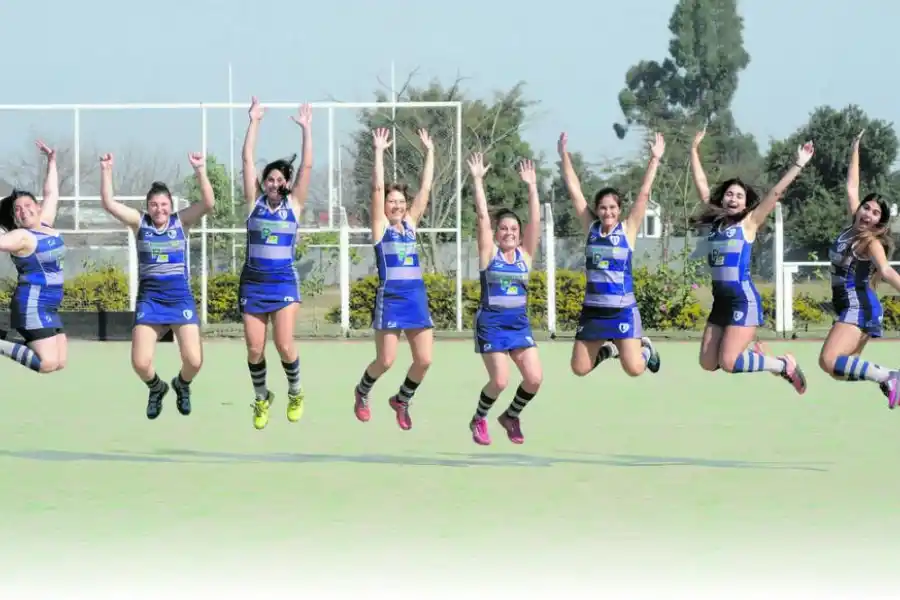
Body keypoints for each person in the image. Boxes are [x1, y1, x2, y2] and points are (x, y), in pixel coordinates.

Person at [689, 127, 812, 391]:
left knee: (729, 362)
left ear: (746, 204)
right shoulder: (715, 223)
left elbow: (775, 193)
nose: (732, 198)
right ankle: (761, 356)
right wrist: (693, 150)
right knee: (708, 363)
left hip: (742, 300)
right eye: (729, 194)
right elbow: (701, 183)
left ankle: (782, 365)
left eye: (739, 196)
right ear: (722, 199)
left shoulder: (749, 223)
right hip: (721, 302)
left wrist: (799, 164)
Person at [99, 152, 215, 419]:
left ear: (171, 205)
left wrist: (200, 170)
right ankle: (157, 388)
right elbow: (108, 203)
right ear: (147, 206)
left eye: (163, 204)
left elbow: (208, 203)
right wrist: (106, 170)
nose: (159, 209)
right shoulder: (139, 222)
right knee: (140, 363)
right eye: (153, 205)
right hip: (150, 301)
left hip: (179, 299)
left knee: (194, 361)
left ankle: (181, 385)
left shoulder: (180, 222)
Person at [557, 131, 664, 379]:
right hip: (593, 311)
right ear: (597, 210)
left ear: (619, 209)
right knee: (579, 368)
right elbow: (574, 190)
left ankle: (645, 349)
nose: (608, 212)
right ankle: (610, 349)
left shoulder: (628, 230)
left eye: (613, 207)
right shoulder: (591, 228)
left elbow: (644, 193)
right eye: (603, 208)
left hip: (622, 310)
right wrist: (564, 155)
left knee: (634, 369)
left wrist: (655, 159)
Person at [352, 127, 435, 431]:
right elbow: (376, 189)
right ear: (385, 206)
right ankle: (362, 391)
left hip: (415, 299)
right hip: (391, 299)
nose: (397, 205)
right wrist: (378, 153)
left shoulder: (411, 225)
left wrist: (430, 152)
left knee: (424, 360)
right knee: (385, 361)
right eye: (391, 201)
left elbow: (425, 189)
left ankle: (402, 399)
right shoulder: (381, 228)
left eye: (401, 201)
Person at [241, 97, 313, 430]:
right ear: (263, 181)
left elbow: (307, 167)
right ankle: (261, 398)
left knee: (284, 344)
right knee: (255, 349)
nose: (274, 183)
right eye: (269, 179)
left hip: (283, 282)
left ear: (286, 183)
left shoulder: (294, 205)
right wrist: (254, 121)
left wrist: (306, 129)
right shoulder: (253, 203)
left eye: (279, 180)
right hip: (253, 284)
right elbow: (247, 158)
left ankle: (295, 392)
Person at [817, 130, 900, 406]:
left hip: (860, 307)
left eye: (876, 213)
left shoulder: (870, 242)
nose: (868, 214)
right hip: (848, 306)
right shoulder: (851, 227)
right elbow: (851, 186)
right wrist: (855, 148)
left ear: (879, 223)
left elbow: (886, 272)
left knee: (828, 360)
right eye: (867, 208)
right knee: (837, 371)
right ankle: (887, 376)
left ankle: (889, 376)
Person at [466, 152, 542, 445]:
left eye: (514, 229)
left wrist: (532, 186)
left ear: (520, 236)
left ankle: (511, 416)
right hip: (492, 324)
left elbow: (535, 220)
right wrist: (477, 180)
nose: (509, 232)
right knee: (500, 380)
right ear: (496, 235)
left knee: (534, 379)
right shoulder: (489, 255)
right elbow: (483, 217)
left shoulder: (525, 256)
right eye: (504, 229)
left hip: (518, 324)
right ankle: (479, 418)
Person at [0, 141, 67, 375]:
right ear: (14, 217)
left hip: (50, 304)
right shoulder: (21, 236)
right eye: (17, 209)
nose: (23, 211)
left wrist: (52, 162)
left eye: (27, 205)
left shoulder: (45, 223)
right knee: (47, 363)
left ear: (37, 207)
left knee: (60, 362)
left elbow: (51, 193)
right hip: (32, 303)